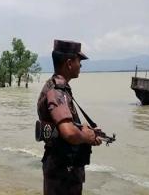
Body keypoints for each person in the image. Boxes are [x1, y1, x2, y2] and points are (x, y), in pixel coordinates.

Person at [36, 40, 102, 195]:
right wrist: (86, 136)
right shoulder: (57, 91)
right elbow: (69, 133)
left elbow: (63, 128)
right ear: (69, 63)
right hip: (63, 173)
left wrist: (87, 131)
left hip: (63, 171)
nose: (81, 65)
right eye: (79, 61)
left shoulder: (59, 89)